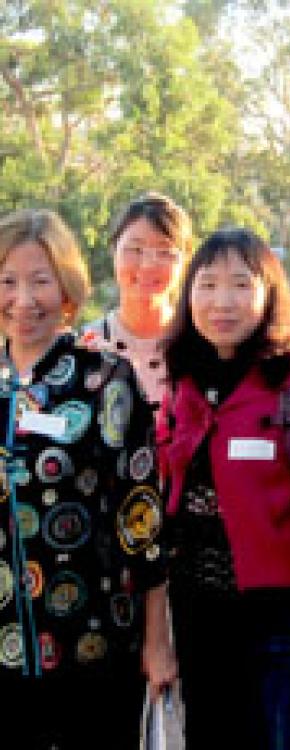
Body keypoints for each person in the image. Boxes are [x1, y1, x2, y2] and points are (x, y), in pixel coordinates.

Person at [157, 227, 290, 749]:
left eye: (240, 285)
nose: (221, 302)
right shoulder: (182, 379)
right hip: (199, 612)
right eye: (206, 285)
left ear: (268, 293)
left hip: (283, 615)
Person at [0, 208, 175, 749]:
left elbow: (140, 519)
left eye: (41, 281)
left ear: (67, 288)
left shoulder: (104, 379)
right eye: (7, 281)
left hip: (94, 639)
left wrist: (157, 640)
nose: (23, 300)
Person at [85, 192, 193, 407]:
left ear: (185, 261)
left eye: (165, 252)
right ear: (113, 251)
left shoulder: (200, 345)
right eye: (135, 249)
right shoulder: (86, 344)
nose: (148, 265)